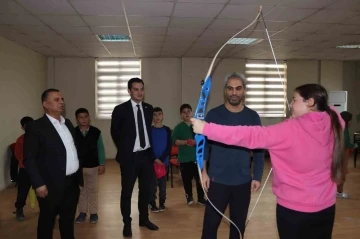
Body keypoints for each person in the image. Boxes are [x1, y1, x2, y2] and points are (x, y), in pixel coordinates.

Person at [191, 84, 345, 239]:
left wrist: (206, 129)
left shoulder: (289, 129)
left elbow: (249, 136)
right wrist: (304, 117)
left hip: (294, 211)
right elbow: (331, 110)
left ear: (310, 102)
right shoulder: (334, 121)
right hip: (326, 208)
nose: (290, 104)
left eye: (294, 100)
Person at [201, 73, 265, 239]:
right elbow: (205, 146)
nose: (234, 92)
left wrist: (257, 176)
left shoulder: (252, 116)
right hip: (217, 181)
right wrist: (203, 172)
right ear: (225, 91)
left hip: (243, 182)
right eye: (230, 88)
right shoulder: (213, 115)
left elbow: (259, 149)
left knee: (238, 228)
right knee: (210, 226)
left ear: (244, 91)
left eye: (238, 88)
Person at [24, 88, 83, 239]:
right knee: (47, 221)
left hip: (71, 183)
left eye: (62, 99)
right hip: (50, 185)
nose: (61, 102)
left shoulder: (67, 123)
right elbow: (30, 158)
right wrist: (38, 183)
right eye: (56, 100)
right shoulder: (36, 127)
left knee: (68, 220)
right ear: (46, 104)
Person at [110, 77, 159, 237]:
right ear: (129, 91)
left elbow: (147, 130)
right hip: (130, 158)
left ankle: (144, 219)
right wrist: (125, 150)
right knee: (127, 192)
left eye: (142, 89)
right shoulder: (120, 109)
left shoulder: (148, 108)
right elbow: (114, 132)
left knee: (145, 191)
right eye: (136, 89)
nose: (140, 92)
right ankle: (127, 223)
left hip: (146, 156)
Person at [74, 108, 106, 223]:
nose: (84, 119)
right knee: (81, 191)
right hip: (78, 168)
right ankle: (82, 213)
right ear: (77, 119)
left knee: (92, 190)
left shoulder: (96, 132)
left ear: (89, 118)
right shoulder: (73, 133)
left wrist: (102, 164)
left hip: (93, 167)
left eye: (86, 116)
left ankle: (93, 213)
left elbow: (100, 149)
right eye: (81, 117)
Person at [172, 104, 205, 206]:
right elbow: (174, 141)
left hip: (197, 158)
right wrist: (185, 142)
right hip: (184, 159)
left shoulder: (197, 125)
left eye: (188, 111)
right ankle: (189, 197)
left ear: (192, 113)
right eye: (184, 112)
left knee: (199, 180)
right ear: (181, 115)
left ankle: (201, 198)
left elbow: (203, 139)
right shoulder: (178, 127)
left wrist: (196, 141)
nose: (186, 113)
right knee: (187, 181)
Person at [148, 107, 172, 212]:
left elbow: (169, 146)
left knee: (162, 185)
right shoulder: (150, 130)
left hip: (163, 162)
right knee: (152, 185)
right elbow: (148, 146)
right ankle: (152, 203)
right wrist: (155, 158)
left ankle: (162, 203)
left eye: (159, 114)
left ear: (163, 116)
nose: (157, 117)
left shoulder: (167, 130)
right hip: (152, 162)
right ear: (152, 117)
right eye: (155, 115)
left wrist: (161, 159)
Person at [14, 116, 34, 221]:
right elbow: (17, 154)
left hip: (38, 170)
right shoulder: (20, 140)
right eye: (26, 126)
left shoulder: (39, 137)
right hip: (24, 170)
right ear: (22, 127)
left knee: (43, 192)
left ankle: (47, 210)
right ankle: (19, 209)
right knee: (22, 191)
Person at [337, 111, 357, 199]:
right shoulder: (344, 129)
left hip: (339, 153)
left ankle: (338, 192)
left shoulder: (340, 127)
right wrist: (354, 145)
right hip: (342, 154)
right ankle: (339, 192)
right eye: (350, 120)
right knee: (342, 173)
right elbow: (346, 143)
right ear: (347, 120)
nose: (351, 122)